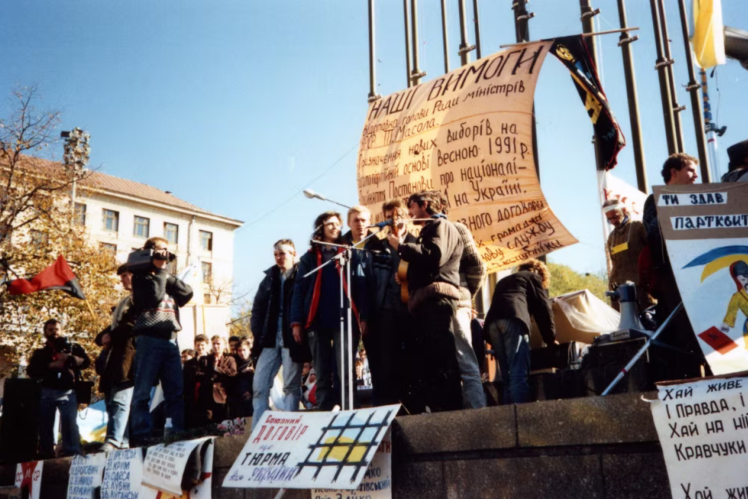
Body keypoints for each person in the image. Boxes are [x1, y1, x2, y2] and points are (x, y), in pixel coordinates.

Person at [387, 191, 463, 413]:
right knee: (432, 360)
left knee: (442, 357)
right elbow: (427, 265)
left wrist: (400, 246)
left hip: (436, 302)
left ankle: (450, 414)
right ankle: (440, 411)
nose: (409, 213)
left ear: (425, 204)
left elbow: (434, 255)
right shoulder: (430, 230)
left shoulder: (441, 225)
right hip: (426, 302)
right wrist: (407, 273)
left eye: (411, 207)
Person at [291, 212, 369, 411]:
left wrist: (363, 316)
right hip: (316, 320)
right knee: (322, 371)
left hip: (345, 317)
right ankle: (325, 412)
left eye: (337, 224)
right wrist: (297, 322)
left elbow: (360, 286)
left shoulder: (348, 251)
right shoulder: (309, 257)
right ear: (321, 228)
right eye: (330, 224)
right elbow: (299, 291)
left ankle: (349, 410)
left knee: (345, 369)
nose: (335, 227)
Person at [642, 153, 706, 380]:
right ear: (674, 172)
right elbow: (654, 235)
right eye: (690, 170)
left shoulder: (702, 199)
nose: (695, 175)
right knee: (685, 337)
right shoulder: (655, 200)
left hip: (703, 275)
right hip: (674, 279)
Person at [129, 237, 193, 444]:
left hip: (171, 340)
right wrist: (160, 271)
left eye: (167, 251)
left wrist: (165, 273)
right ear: (149, 252)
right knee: (142, 393)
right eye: (160, 251)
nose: (164, 255)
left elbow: (187, 293)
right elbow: (155, 296)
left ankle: (176, 433)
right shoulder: (140, 278)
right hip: (149, 338)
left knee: (175, 392)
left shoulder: (166, 276)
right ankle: (141, 437)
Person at [435, 191, 487, 409]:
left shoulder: (457, 228)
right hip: (440, 306)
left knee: (465, 358)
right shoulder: (425, 235)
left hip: (457, 303)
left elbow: (477, 265)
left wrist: (467, 296)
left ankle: (479, 414)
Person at [250, 239, 309, 429]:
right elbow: (257, 309)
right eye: (276, 254)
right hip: (269, 338)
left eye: (283, 253)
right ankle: (258, 432)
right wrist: (257, 333)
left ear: (293, 254)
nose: (279, 258)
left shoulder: (303, 274)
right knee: (259, 387)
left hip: (292, 336)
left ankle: (292, 428)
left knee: (291, 386)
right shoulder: (269, 278)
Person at [362, 199, 415, 407]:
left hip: (411, 311)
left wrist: (406, 274)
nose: (395, 220)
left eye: (399, 214)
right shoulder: (376, 248)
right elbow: (368, 284)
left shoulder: (416, 243)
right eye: (389, 216)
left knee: (410, 362)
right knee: (386, 364)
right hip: (385, 312)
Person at [484, 259, 555, 404]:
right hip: (513, 321)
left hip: (492, 324)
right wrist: (550, 339)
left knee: (506, 377)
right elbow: (543, 308)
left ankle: (507, 418)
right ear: (540, 273)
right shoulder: (533, 277)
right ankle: (521, 419)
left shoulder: (505, 281)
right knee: (518, 374)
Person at [27, 319, 91, 458]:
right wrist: (50, 365)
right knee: (45, 425)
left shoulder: (73, 348)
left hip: (68, 391)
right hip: (46, 391)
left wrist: (69, 358)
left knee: (69, 423)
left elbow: (86, 362)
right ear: (45, 332)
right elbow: (31, 371)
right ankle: (46, 453)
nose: (54, 332)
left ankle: (72, 452)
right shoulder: (40, 352)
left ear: (61, 330)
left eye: (56, 329)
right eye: (50, 330)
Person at [94, 264, 137, 452]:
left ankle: (114, 440)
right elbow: (113, 328)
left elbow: (129, 325)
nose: (122, 280)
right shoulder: (124, 302)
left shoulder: (141, 300)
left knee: (121, 402)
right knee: (113, 404)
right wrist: (102, 337)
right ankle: (122, 441)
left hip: (128, 361)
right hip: (114, 363)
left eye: (126, 275)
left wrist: (111, 335)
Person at [602, 199, 653, 312]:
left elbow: (653, 251)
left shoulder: (638, 227)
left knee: (649, 319)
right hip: (619, 290)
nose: (613, 221)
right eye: (609, 219)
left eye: (615, 216)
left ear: (624, 211)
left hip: (640, 286)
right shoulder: (611, 237)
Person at [204, 335, 237, 422]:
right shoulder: (207, 359)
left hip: (223, 395)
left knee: (222, 421)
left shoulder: (230, 359)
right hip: (208, 395)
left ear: (224, 345)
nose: (216, 346)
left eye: (218, 344)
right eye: (214, 344)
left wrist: (217, 369)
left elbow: (233, 373)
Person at [183, 335, 210, 429]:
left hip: (207, 393)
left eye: (202, 345)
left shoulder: (211, 360)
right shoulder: (189, 363)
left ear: (207, 345)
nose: (200, 347)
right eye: (198, 345)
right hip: (192, 394)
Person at [231, 338, 254, 418]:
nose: (242, 353)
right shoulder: (234, 362)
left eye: (244, 350)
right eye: (239, 351)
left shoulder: (254, 361)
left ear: (249, 350)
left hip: (251, 397)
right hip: (237, 397)